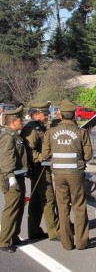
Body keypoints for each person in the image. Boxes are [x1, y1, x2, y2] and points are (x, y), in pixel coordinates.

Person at [42, 100, 93, 250]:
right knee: (79, 206)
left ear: (60, 114)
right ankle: (82, 242)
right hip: (75, 173)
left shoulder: (50, 132)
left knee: (62, 207)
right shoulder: (81, 132)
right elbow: (88, 155)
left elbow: (45, 154)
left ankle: (67, 243)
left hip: (58, 174)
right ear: (74, 115)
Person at [21, 102, 60, 241]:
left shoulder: (40, 127)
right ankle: (54, 232)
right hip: (39, 168)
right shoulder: (31, 129)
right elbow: (29, 150)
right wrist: (41, 157)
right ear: (36, 114)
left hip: (42, 167)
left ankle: (34, 231)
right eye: (44, 114)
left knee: (37, 200)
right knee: (48, 199)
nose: (47, 116)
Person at [0, 106, 28, 253]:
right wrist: (10, 176)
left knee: (18, 209)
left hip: (19, 176)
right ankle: (4, 241)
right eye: (20, 119)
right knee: (11, 209)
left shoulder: (15, 135)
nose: (22, 121)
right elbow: (5, 159)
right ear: (13, 122)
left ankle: (14, 236)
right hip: (11, 178)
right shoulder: (8, 137)